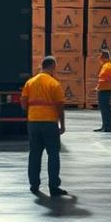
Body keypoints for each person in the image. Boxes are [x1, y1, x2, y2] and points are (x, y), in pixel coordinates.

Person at [22, 56, 67, 197]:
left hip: (33, 122)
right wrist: (62, 124)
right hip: (49, 123)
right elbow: (60, 106)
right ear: (52, 66)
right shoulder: (54, 84)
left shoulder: (30, 82)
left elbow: (23, 102)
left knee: (34, 154)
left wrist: (32, 113)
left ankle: (34, 184)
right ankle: (53, 186)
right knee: (53, 154)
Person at [94, 50, 111, 133]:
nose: (99, 58)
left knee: (105, 109)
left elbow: (104, 79)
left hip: (105, 90)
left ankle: (108, 127)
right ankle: (104, 126)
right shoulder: (105, 66)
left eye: (100, 56)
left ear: (104, 57)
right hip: (103, 89)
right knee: (104, 109)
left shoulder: (107, 67)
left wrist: (98, 87)